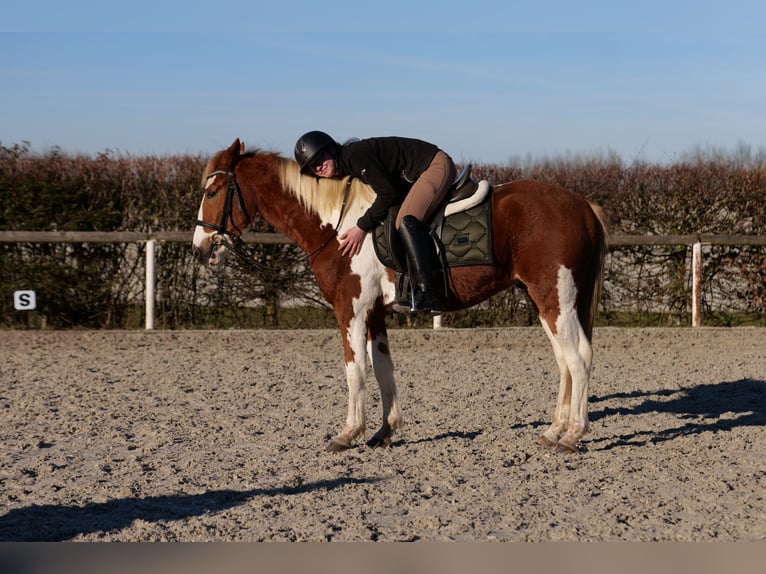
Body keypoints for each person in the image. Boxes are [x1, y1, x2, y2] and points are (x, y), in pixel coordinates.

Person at [294, 131, 457, 315]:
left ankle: (427, 293)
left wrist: (361, 227)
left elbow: (388, 194)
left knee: (406, 221)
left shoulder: (354, 156)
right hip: (418, 173)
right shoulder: (347, 166)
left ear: (331, 149)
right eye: (312, 166)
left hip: (434, 166)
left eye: (320, 157)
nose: (318, 166)